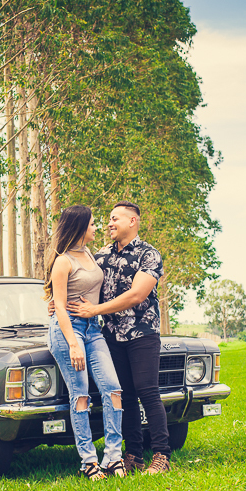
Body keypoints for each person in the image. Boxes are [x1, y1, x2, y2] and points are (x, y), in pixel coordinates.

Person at [67, 200, 171, 475]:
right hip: (111, 336)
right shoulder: (100, 256)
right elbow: (78, 280)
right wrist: (57, 301)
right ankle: (133, 454)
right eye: (108, 219)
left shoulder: (149, 255)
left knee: (148, 392)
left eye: (115, 219)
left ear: (132, 221)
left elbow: (137, 294)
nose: (109, 224)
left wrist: (95, 310)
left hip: (142, 334)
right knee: (125, 396)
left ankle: (161, 455)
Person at [45, 205, 125, 480]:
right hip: (68, 333)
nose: (96, 227)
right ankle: (88, 461)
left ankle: (113, 458)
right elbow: (60, 306)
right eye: (92, 223)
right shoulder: (63, 261)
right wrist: (73, 344)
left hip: (93, 330)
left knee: (113, 389)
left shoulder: (91, 253)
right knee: (80, 395)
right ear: (79, 227)